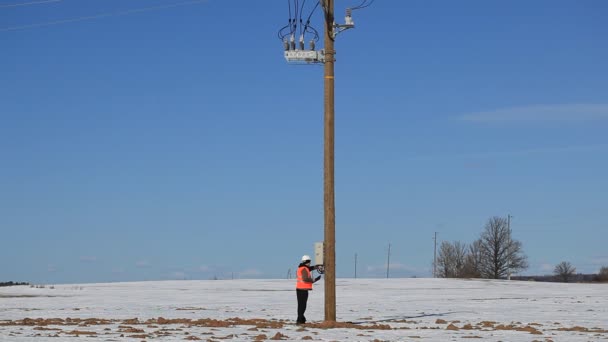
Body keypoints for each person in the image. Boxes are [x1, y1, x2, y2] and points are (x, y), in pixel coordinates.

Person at [296, 255, 321, 324]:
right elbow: (305, 278)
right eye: (309, 262)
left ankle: (300, 319)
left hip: (300, 289)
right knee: (302, 306)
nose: (310, 263)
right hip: (302, 290)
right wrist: (314, 280)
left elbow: (309, 268)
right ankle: (300, 320)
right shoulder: (304, 269)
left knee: (301, 305)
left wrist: (317, 266)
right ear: (307, 262)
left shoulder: (302, 267)